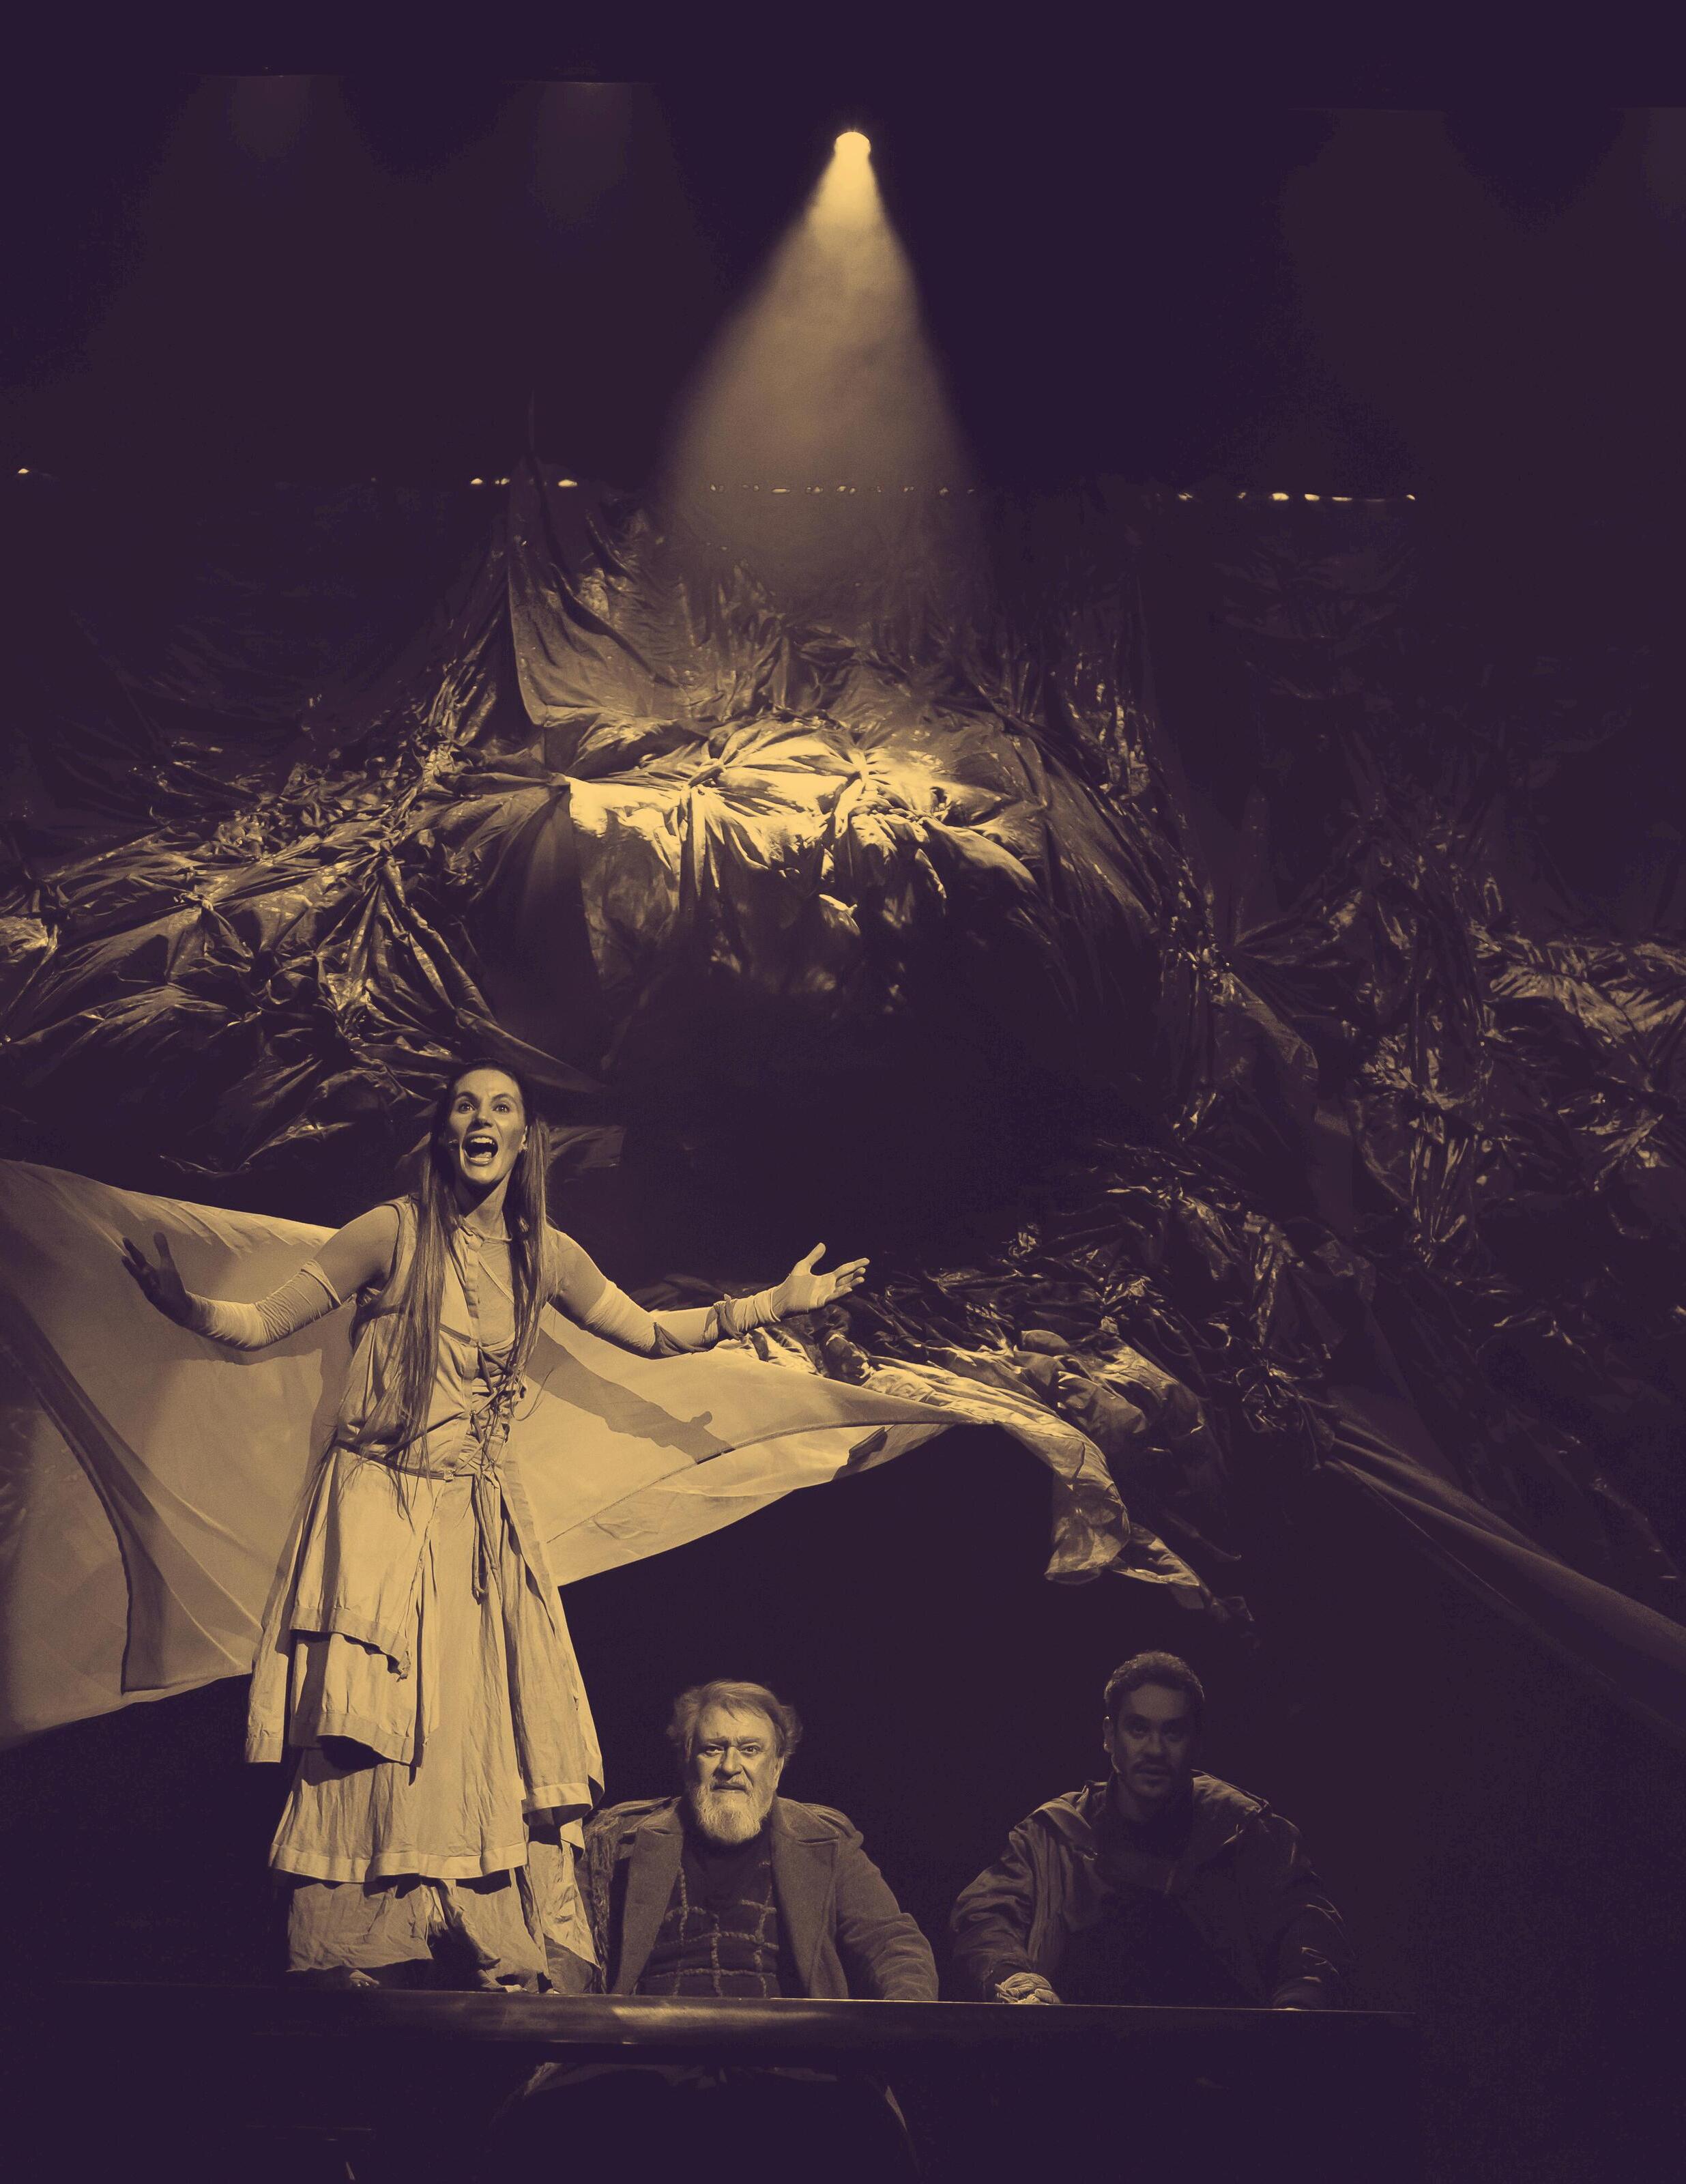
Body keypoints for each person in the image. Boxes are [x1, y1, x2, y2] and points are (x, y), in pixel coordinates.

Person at [121, 1060, 867, 1992]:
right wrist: (184, 1305)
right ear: (446, 1132)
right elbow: (262, 1320)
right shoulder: (390, 1232)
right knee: (378, 1724)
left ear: (522, 1139)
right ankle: (356, 1937)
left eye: (501, 1106)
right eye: (465, 1104)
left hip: (476, 1519)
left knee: (483, 1730)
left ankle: (481, 1930)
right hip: (381, 1506)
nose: (481, 1117)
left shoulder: (546, 1254)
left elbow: (649, 1334)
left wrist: (771, 1305)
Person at [492, 1679, 934, 2181]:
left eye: (750, 1749)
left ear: (777, 1766)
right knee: (546, 2124)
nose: (730, 1766)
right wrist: (543, 1994)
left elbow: (889, 1940)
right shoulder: (619, 1840)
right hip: (642, 2051)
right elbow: (566, 1942)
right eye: (713, 1748)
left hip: (794, 2054)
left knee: (859, 2132)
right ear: (688, 1761)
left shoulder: (827, 1843)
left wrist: (904, 2012)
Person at [950, 1652, 1352, 2009]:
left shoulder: (1245, 1831)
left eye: (1172, 1732)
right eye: (1138, 1729)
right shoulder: (1054, 1834)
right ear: (1110, 1736)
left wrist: (1298, 2006)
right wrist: (1016, 1980)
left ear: (1196, 1741)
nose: (1155, 1750)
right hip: (1078, 2051)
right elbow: (987, 1914)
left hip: (1221, 2054)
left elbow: (1309, 1926)